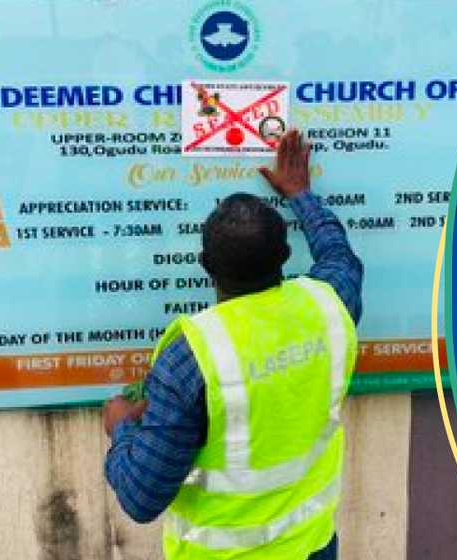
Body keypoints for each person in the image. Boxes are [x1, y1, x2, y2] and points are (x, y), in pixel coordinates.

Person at [102, 130, 363, 560]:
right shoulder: (329, 305)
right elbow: (339, 256)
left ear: (206, 266)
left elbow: (141, 495)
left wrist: (120, 427)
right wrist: (302, 195)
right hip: (311, 547)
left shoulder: (192, 359)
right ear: (283, 254)